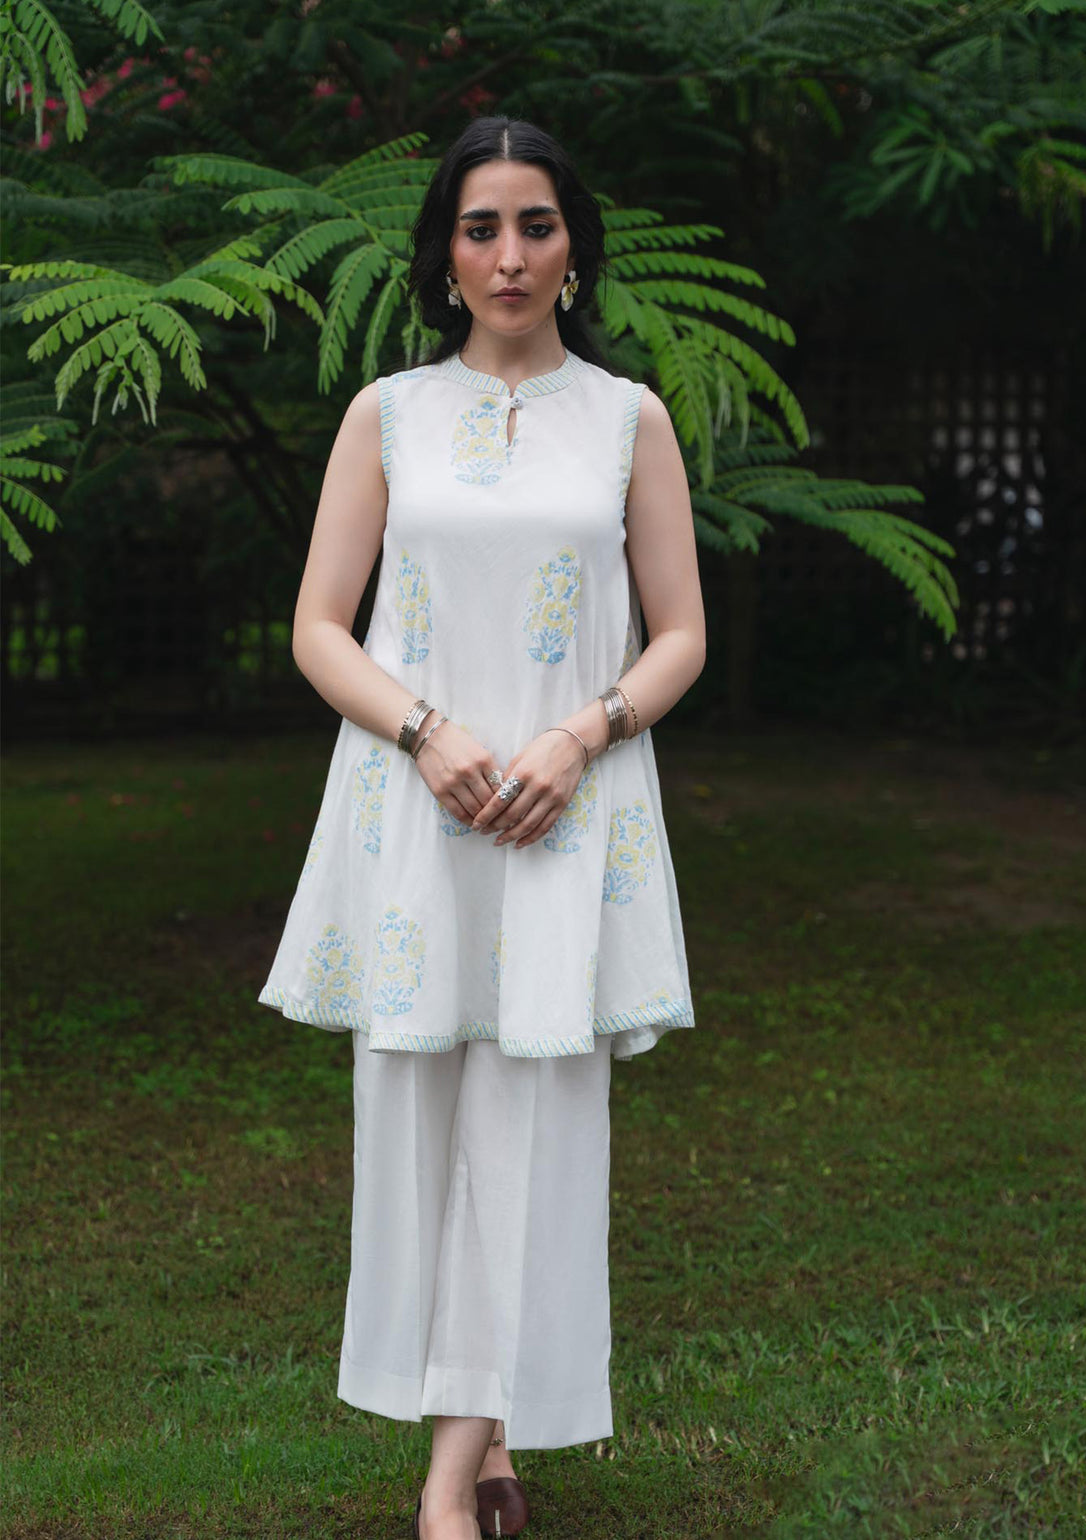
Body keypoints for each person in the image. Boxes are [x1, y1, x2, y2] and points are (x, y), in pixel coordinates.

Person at [257, 116, 706, 1540]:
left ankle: (450, 1483)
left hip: (569, 815)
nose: (509, 255)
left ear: (575, 250)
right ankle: (483, 1436)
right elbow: (318, 627)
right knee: (419, 1126)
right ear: (444, 257)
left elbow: (681, 634)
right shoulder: (386, 416)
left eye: (536, 225)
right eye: (479, 228)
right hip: (417, 809)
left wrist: (582, 735)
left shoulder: (628, 419)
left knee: (537, 1125)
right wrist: (425, 732)